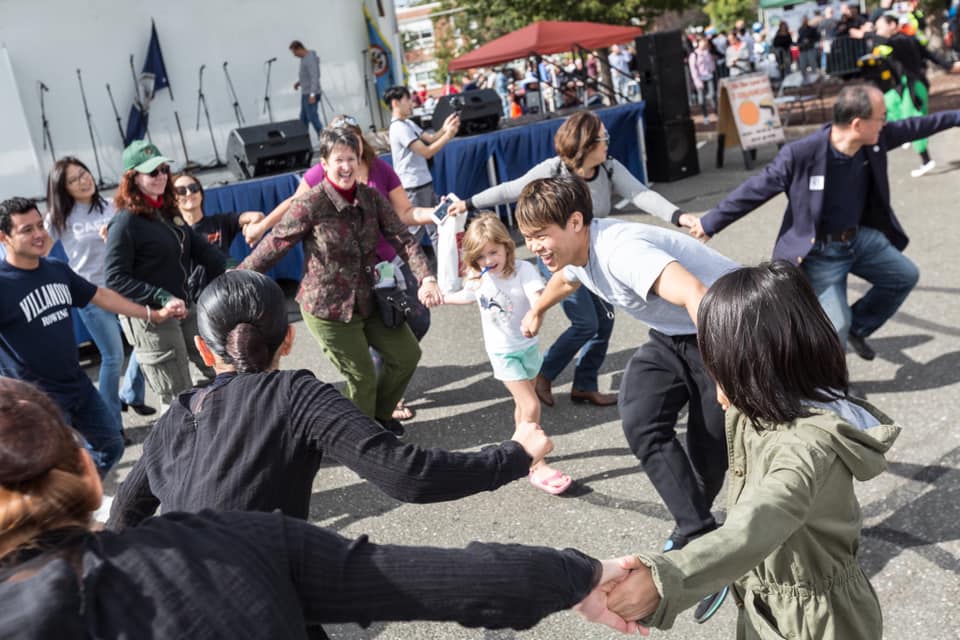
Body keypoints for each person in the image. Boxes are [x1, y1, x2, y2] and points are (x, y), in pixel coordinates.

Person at [0, 377, 650, 638]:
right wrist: (577, 575)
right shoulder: (234, 541)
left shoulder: (177, 421)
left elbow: (127, 516)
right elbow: (440, 576)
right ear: (86, 470)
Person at [109, 269, 560, 528]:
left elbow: (124, 520)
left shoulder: (177, 414)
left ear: (204, 351)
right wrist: (515, 455)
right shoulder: (298, 396)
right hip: (265, 604)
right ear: (288, 340)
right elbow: (409, 476)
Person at [604, 261, 901, 639]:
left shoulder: (805, 447)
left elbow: (759, 520)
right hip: (763, 602)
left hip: (818, 622)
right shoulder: (759, 407)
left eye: (714, 358)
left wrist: (669, 579)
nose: (710, 372)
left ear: (749, 362)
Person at [516, 175, 740, 623]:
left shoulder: (622, 251)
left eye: (541, 235)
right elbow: (567, 278)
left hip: (725, 327)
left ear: (576, 221)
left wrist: (726, 373)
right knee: (639, 416)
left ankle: (715, 548)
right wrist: (537, 309)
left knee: (709, 444)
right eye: (528, 238)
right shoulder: (577, 253)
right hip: (675, 335)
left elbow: (698, 295)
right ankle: (698, 531)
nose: (535, 246)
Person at [684, 84, 960, 361]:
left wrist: (956, 116)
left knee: (904, 275)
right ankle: (829, 390)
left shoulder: (874, 140)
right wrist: (711, 222)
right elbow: (756, 188)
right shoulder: (802, 154)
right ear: (857, 123)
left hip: (859, 239)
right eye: (881, 117)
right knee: (835, 328)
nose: (885, 123)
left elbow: (919, 125)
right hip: (821, 253)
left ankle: (860, 327)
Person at [449, 111, 687, 409]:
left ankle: (584, 385)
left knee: (605, 322)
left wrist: (679, 216)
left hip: (595, 258)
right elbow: (511, 189)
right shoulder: (554, 170)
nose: (607, 143)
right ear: (585, 144)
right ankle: (544, 376)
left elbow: (640, 194)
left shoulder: (609, 168)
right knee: (586, 323)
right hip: (558, 259)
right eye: (602, 138)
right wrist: (468, 203)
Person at [245, 114, 454, 421]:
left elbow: (402, 238)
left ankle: (378, 423)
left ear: (359, 160)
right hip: (327, 308)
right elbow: (276, 243)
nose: (346, 166)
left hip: (369, 299)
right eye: (339, 159)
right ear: (324, 164)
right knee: (362, 378)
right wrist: (238, 278)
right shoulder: (311, 203)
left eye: (352, 159)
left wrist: (426, 278)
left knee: (407, 355)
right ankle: (355, 440)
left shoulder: (370, 197)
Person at [0, 197, 180, 474]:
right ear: (4, 237)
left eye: (39, 226)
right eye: (26, 230)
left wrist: (150, 314)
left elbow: (100, 295)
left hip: (77, 386)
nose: (38, 235)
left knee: (111, 446)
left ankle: (81, 496)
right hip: (33, 399)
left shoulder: (56, 270)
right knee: (50, 468)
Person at [441, 214, 572, 495]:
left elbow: (537, 295)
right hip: (503, 353)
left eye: (493, 252)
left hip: (527, 347)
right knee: (531, 404)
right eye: (480, 256)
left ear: (506, 246)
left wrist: (536, 313)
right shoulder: (478, 278)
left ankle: (514, 453)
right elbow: (466, 295)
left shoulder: (523, 270)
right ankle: (535, 463)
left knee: (521, 406)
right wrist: (440, 297)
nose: (488, 261)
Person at [104, 141, 226, 407]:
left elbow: (202, 250)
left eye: (163, 169)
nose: (161, 176)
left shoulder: (166, 211)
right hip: (152, 317)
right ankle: (179, 446)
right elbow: (114, 277)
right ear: (133, 178)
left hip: (185, 307)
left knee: (221, 368)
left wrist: (230, 274)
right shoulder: (125, 222)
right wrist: (160, 297)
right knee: (176, 397)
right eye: (152, 172)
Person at [44, 157, 154, 424]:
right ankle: (111, 422)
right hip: (92, 295)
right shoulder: (59, 217)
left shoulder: (112, 206)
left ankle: (131, 394)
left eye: (84, 173)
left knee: (147, 341)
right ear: (63, 188)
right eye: (74, 179)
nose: (83, 180)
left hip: (125, 287)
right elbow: (40, 253)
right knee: (113, 357)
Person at [872, 13, 960, 177]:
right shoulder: (900, 41)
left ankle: (926, 159)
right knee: (889, 104)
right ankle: (905, 138)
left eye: (880, 26)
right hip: (902, 87)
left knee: (914, 119)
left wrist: (865, 34)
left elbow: (933, 57)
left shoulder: (902, 40)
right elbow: (934, 57)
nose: (878, 30)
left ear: (892, 25)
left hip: (915, 86)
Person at [385, 85, 460, 252]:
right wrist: (448, 135)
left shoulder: (407, 123)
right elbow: (426, 151)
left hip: (422, 183)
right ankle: (412, 270)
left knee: (437, 226)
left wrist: (447, 126)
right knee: (415, 233)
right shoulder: (399, 128)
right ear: (396, 103)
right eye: (408, 100)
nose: (412, 104)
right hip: (413, 187)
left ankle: (443, 270)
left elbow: (432, 137)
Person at [172, 172, 264, 299]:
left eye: (193, 188)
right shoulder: (173, 232)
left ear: (201, 194)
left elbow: (256, 216)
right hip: (194, 300)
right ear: (173, 199)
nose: (189, 193)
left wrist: (250, 229)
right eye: (181, 191)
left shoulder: (220, 222)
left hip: (226, 292)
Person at [289, 39, 323, 136]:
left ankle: (325, 139)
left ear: (299, 48)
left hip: (311, 93)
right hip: (305, 93)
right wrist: (299, 83)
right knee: (303, 119)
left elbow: (315, 76)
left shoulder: (310, 59)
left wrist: (312, 95)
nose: (294, 55)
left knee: (313, 117)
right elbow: (307, 75)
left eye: (294, 52)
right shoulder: (304, 59)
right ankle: (304, 144)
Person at [688, 37, 717, 124]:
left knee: (712, 95)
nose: (704, 45)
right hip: (700, 78)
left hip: (709, 76)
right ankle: (705, 116)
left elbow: (711, 64)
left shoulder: (707, 53)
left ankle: (716, 113)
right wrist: (697, 81)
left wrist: (712, 69)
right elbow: (693, 69)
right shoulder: (694, 55)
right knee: (701, 100)